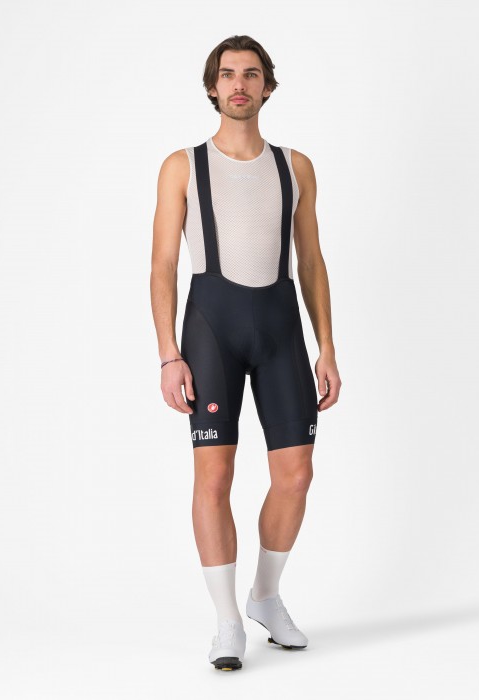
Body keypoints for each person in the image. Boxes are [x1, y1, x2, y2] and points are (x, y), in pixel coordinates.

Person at [150, 35, 341, 671]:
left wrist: (327, 348)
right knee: (214, 477)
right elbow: (163, 264)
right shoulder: (183, 165)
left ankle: (265, 595)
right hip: (212, 329)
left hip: (281, 327)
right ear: (213, 87)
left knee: (296, 474)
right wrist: (168, 354)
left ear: (267, 86)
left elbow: (311, 261)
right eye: (228, 74)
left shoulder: (295, 166)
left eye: (251, 74)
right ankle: (227, 621)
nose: (239, 84)